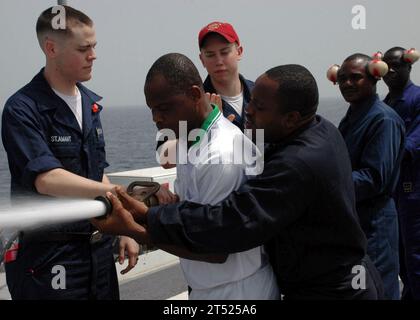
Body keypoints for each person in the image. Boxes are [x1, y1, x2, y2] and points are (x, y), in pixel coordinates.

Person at [94, 64, 383, 300]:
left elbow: (228, 225)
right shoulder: (317, 128)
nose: (249, 110)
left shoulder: (294, 163)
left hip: (331, 291)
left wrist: (141, 224)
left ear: (291, 118)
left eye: (259, 106)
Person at [1, 6, 139, 300]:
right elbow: (47, 179)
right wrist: (115, 192)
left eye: (94, 46)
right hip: (51, 257)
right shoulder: (22, 109)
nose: (93, 55)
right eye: (83, 48)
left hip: (98, 251)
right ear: (51, 48)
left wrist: (123, 226)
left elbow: (96, 167)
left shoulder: (90, 104)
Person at [142, 53, 278, 299]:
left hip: (237, 292)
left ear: (195, 95)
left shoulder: (221, 155)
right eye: (152, 110)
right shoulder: (191, 139)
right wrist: (168, 203)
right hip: (213, 287)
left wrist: (139, 226)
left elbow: (215, 248)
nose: (156, 118)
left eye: (163, 108)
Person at [336, 53, 405, 300]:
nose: (347, 84)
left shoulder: (383, 119)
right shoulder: (353, 116)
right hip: (357, 219)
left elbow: (374, 178)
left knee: (378, 287)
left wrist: (328, 186)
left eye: (355, 78)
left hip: (375, 221)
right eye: (342, 78)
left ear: (375, 78)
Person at [157, 22, 252, 169]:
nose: (219, 61)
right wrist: (207, 127)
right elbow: (165, 157)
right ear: (202, 60)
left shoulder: (262, 95)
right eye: (210, 55)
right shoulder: (190, 101)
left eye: (225, 52)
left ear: (239, 52)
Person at [383, 47, 420, 299]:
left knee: (416, 254)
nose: (392, 71)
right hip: (393, 191)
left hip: (414, 189)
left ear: (409, 66)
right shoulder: (385, 104)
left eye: (398, 65)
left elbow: (412, 144)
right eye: (388, 66)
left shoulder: (417, 99)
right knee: (399, 255)